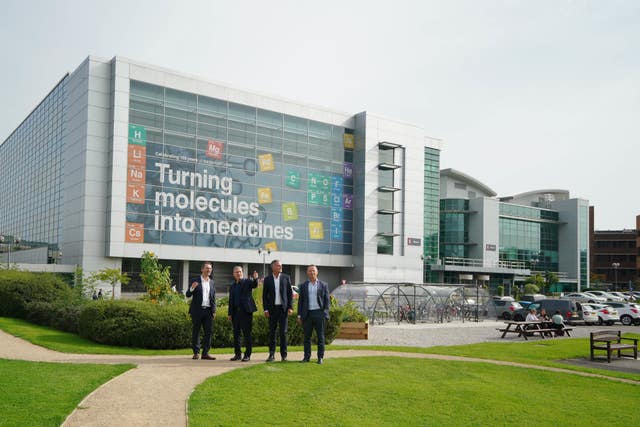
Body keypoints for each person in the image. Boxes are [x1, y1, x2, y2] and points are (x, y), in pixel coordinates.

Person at [297, 265, 330, 364]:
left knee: (320, 337)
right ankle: (306, 357)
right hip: (307, 314)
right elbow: (300, 301)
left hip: (319, 313)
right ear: (307, 273)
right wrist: (299, 315)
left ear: (317, 272)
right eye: (310, 271)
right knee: (307, 337)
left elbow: (327, 301)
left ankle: (320, 357)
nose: (312, 273)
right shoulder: (303, 286)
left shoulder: (323, 285)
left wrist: (325, 313)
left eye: (313, 271)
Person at [262, 259, 293, 362]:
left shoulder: (286, 278)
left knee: (283, 332)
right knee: (272, 332)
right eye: (278, 265)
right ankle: (271, 355)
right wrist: (265, 309)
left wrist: (290, 307)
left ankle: (284, 356)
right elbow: (264, 296)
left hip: (283, 309)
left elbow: (289, 294)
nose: (280, 267)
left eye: (281, 265)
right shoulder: (267, 279)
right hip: (272, 310)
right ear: (273, 267)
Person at [185, 262, 217, 360]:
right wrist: (192, 288)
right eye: (207, 268)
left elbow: (213, 298)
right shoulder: (195, 280)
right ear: (202, 269)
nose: (209, 270)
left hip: (208, 311)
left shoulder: (212, 282)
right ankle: (196, 353)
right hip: (197, 311)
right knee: (196, 332)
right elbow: (188, 294)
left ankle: (205, 353)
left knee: (208, 332)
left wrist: (214, 310)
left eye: (210, 268)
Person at [228, 266, 259, 362]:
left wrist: (255, 278)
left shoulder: (247, 282)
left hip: (246, 312)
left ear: (242, 272)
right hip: (235, 313)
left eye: (240, 272)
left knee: (247, 334)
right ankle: (237, 354)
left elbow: (254, 285)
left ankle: (247, 355)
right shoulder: (232, 286)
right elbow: (231, 301)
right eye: (236, 272)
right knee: (236, 335)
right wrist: (230, 313)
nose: (238, 273)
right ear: (233, 274)